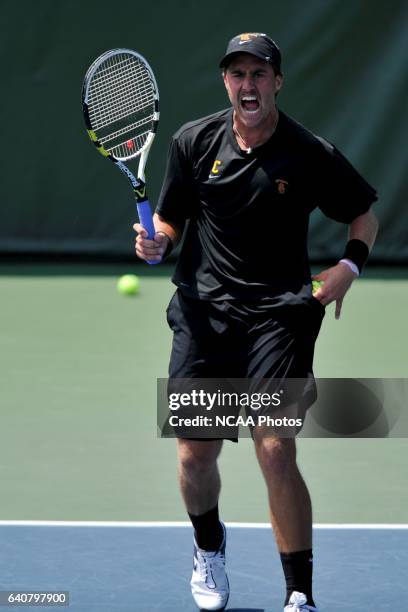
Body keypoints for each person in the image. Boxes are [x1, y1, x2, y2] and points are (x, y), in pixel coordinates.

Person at [134, 32, 378, 612]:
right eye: (237, 74)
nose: (248, 85)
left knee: (274, 448)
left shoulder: (309, 152)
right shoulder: (194, 141)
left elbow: (363, 215)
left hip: (278, 316)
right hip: (204, 313)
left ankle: (300, 593)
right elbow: (170, 218)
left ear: (277, 82)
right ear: (226, 82)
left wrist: (350, 264)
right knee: (196, 454)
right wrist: (155, 242)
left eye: (259, 74)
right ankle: (209, 547)